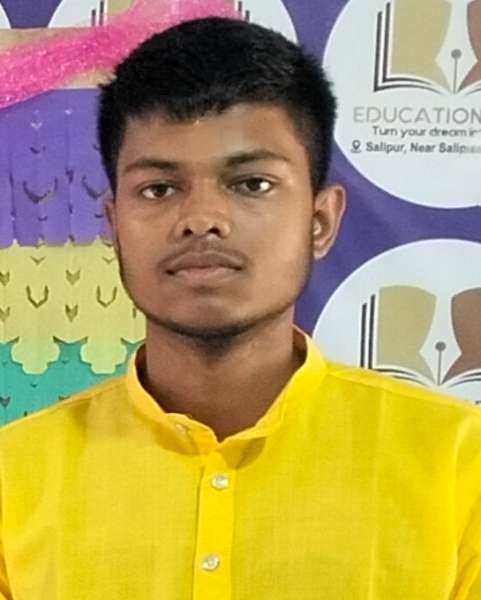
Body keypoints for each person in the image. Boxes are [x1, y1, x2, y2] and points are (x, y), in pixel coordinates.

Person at [0, 16, 479, 600]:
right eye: (158, 189)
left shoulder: (459, 464)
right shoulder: (13, 477)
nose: (202, 219)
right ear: (114, 226)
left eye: (251, 183)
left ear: (320, 221)